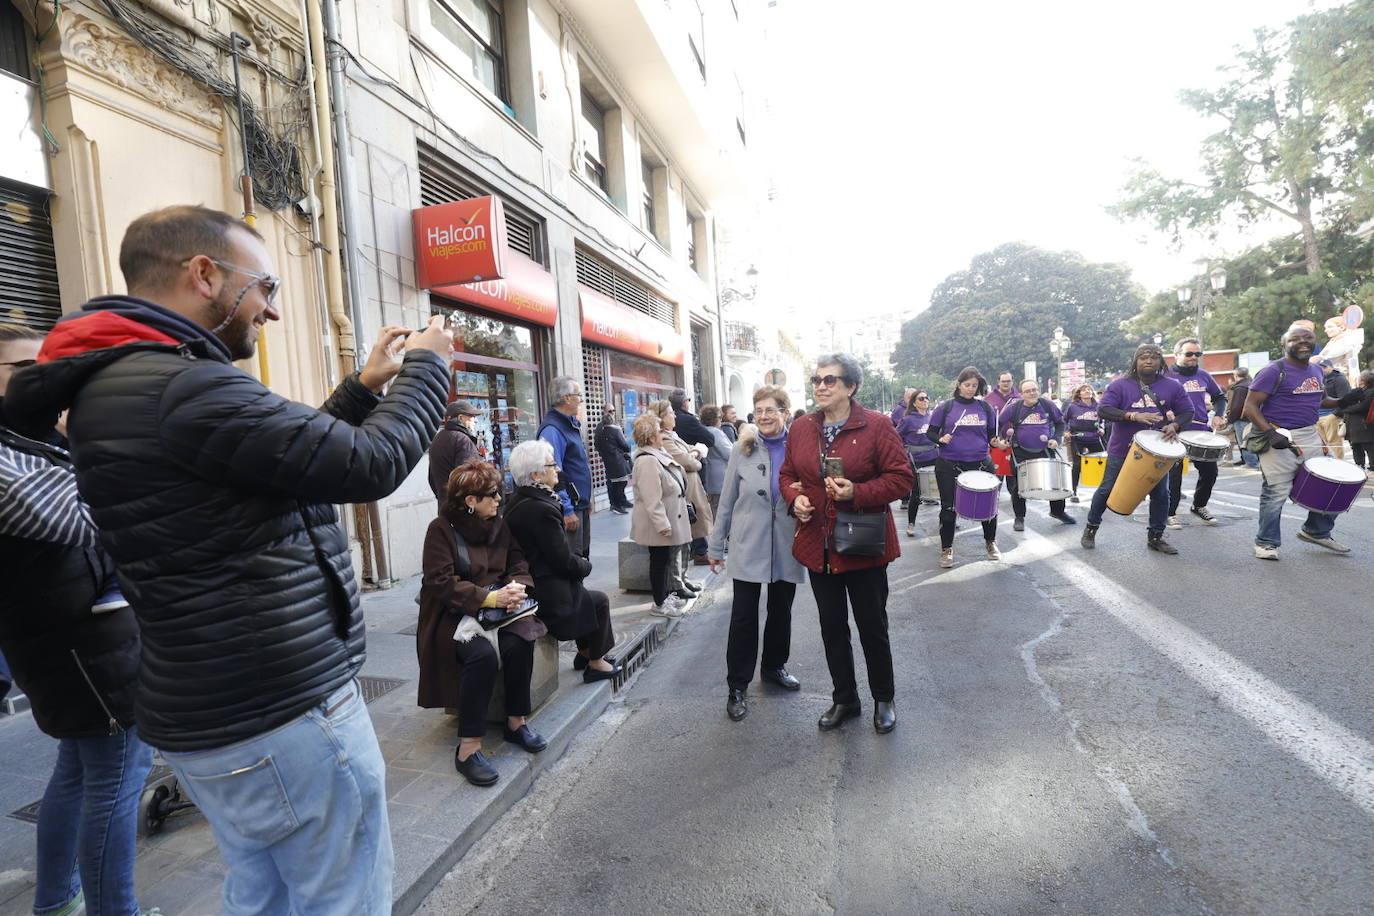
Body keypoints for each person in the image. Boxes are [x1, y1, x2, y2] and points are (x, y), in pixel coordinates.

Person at [3, 205, 454, 913]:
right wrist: (430, 366)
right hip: (283, 710)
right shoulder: (177, 386)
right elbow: (369, 463)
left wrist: (365, 388)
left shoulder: (129, 383)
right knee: (342, 898)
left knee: (263, 894)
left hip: (221, 709)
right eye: (264, 287)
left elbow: (281, 460)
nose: (270, 310)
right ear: (203, 274)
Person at [1, 323, 153, 916]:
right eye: (22, 368)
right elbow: (97, 519)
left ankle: (56, 901)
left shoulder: (32, 436)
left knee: (77, 773)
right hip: (76, 648)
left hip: (85, 638)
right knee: (118, 777)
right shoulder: (11, 455)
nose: (43, 379)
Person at [780, 353, 913, 734]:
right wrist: (795, 499)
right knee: (832, 627)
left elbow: (902, 478)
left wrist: (858, 491)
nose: (820, 386)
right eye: (817, 380)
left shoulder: (877, 425)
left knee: (872, 625)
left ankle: (883, 698)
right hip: (818, 545)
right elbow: (787, 474)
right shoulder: (802, 427)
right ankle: (845, 699)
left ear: (851, 387)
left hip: (862, 546)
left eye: (830, 380)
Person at [417, 459, 543, 787]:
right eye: (493, 494)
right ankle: (468, 747)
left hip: (501, 609)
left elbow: (517, 560)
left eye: (500, 493)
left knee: (520, 641)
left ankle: (516, 722)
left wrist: (517, 586)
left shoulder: (499, 524)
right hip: (454, 615)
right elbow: (440, 582)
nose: (500, 499)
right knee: (482, 657)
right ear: (470, 500)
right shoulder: (440, 530)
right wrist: (489, 599)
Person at [707, 386, 805, 722]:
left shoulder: (799, 447)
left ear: (785, 412)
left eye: (771, 410)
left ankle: (774, 666)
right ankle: (737, 685)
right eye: (759, 410)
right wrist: (715, 545)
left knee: (782, 611)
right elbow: (727, 500)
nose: (763, 416)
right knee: (744, 616)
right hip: (749, 542)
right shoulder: (742, 449)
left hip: (787, 542)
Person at [503, 440, 622, 681]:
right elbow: (562, 560)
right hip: (544, 589)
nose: (557, 469)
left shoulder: (524, 500)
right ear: (536, 474)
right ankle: (595, 663)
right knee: (598, 600)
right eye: (552, 464)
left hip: (539, 579)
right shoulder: (540, 509)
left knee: (584, 593)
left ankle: (587, 652)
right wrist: (584, 565)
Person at [1245, 326, 1357, 559]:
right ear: (1284, 344)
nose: (1303, 342)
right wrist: (1270, 433)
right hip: (1277, 433)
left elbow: (1321, 400)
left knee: (1333, 482)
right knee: (1276, 491)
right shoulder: (1273, 370)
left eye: (1307, 338)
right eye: (1295, 339)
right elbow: (1250, 407)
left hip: (1309, 433)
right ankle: (1266, 543)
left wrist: (1343, 400)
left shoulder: (1316, 369)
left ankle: (1316, 530)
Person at [1080, 343, 1192, 554]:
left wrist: (1175, 425)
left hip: (1157, 449)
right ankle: (1091, 528)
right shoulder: (1120, 385)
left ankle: (1156, 536)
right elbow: (1103, 409)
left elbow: (1187, 411)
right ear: (1135, 361)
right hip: (1122, 449)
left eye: (1153, 357)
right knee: (1107, 488)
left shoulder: (1172, 385)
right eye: (1143, 357)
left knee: (1161, 493)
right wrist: (1132, 415)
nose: (1148, 361)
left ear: (1160, 361)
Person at [926, 367, 1002, 568]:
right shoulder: (946, 407)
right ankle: (947, 549)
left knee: (989, 506)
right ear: (959, 384)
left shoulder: (985, 408)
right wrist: (940, 439)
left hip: (979, 463)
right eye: (967, 385)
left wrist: (997, 442)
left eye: (974, 386)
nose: (970, 389)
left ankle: (990, 543)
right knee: (948, 508)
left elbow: (990, 437)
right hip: (949, 464)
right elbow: (931, 433)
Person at [629, 414, 692, 618]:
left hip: (668, 518)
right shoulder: (647, 460)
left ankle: (663, 597)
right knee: (659, 561)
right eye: (658, 431)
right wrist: (662, 524)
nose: (661, 434)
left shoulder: (656, 454)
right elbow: (651, 498)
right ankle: (659, 603)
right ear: (650, 436)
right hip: (657, 523)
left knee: (663, 560)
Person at [649, 399, 714, 587]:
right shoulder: (664, 437)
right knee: (679, 541)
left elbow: (689, 453)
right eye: (670, 412)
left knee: (686, 538)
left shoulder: (673, 434)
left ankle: (683, 579)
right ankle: (677, 583)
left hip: (689, 490)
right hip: (680, 494)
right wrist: (697, 455)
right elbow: (686, 460)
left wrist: (694, 453)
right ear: (661, 418)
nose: (674, 415)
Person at [1164, 338, 1227, 528]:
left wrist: (1218, 415)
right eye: (1189, 354)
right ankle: (1169, 512)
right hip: (1174, 432)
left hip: (1200, 431)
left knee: (1210, 472)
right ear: (1176, 355)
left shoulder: (1203, 375)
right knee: (1174, 475)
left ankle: (1199, 505)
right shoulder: (1165, 376)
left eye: (1197, 354)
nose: (1194, 357)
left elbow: (1219, 397)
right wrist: (1164, 412)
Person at [998, 378, 1076, 531]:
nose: (1031, 393)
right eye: (1027, 391)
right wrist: (1001, 440)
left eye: (1034, 390)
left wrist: (1056, 439)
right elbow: (997, 424)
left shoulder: (1047, 404)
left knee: (1054, 480)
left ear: (1038, 391)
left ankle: (1057, 511)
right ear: (1021, 394)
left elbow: (1060, 423)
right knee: (1018, 486)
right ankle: (1019, 517)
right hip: (1020, 451)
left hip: (1044, 450)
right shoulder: (1014, 408)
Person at [539, 376, 593, 558]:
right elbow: (553, 473)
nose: (581, 400)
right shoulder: (553, 430)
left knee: (582, 555)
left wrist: (586, 500)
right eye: (579, 395)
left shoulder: (568, 425)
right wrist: (567, 509)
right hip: (570, 507)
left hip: (580, 504)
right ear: (566, 397)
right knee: (573, 558)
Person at [895, 388, 937, 536]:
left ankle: (948, 520)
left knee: (944, 491)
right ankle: (911, 523)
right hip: (916, 460)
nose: (925, 400)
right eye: (921, 398)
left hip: (934, 457)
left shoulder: (932, 417)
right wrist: (903, 453)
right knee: (917, 493)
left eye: (926, 397)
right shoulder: (907, 420)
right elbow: (896, 438)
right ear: (914, 403)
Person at [428, 399, 482, 506]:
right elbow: (467, 482)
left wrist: (443, 497)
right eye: (472, 416)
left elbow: (431, 478)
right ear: (461, 418)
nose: (475, 420)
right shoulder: (463, 440)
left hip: (445, 506)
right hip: (462, 510)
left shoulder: (438, 438)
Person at [1063, 383, 1105, 502]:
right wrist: (1066, 431)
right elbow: (1064, 420)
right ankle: (1073, 492)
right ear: (1079, 393)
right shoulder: (1073, 406)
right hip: (1077, 438)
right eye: (1084, 390)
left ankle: (1103, 492)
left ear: (1092, 393)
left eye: (1089, 389)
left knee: (1103, 464)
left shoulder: (1098, 406)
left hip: (1094, 438)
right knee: (1077, 465)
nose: (1087, 391)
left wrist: (1101, 428)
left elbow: (1102, 421)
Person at [593, 407, 633, 514]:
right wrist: (606, 454)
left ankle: (622, 501)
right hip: (613, 460)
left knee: (620, 482)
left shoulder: (614, 426)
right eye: (610, 411)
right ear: (605, 412)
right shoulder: (602, 428)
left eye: (614, 410)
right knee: (616, 483)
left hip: (615, 459)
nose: (613, 413)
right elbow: (597, 444)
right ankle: (615, 504)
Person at [697, 404, 734, 515]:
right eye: (719, 418)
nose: (721, 420)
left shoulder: (703, 430)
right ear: (714, 419)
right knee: (720, 511)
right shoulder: (715, 432)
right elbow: (729, 453)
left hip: (711, 478)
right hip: (720, 478)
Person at [1316, 358, 1351, 460]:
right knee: (1321, 445)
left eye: (1325, 367)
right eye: (1320, 367)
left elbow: (1345, 398)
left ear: (1331, 367)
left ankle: (1338, 465)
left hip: (1331, 416)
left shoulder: (1339, 379)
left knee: (1334, 443)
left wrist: (1335, 415)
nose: (1322, 369)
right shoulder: (1317, 379)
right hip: (1317, 416)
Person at [1225, 367, 1260, 468]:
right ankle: (1250, 461)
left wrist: (1230, 419)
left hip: (1242, 418)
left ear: (1236, 375)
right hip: (1253, 416)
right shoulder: (1252, 384)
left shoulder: (1240, 388)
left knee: (1244, 441)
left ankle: (1251, 463)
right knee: (1251, 439)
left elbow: (1236, 406)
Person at [1340, 369, 1374, 471]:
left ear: (1364, 380)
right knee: (1355, 446)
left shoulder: (1371, 391)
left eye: (1361, 378)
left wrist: (1346, 409)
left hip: (1364, 424)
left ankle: (1372, 467)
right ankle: (1359, 466)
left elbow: (1362, 406)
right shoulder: (1359, 391)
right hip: (1353, 424)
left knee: (1369, 446)